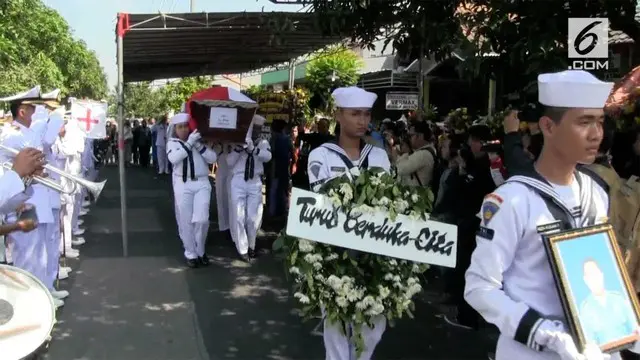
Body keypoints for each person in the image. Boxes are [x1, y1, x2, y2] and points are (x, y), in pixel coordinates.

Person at [464, 70, 630, 360]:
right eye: (583, 122)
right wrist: (548, 335)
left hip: (596, 348)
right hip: (529, 351)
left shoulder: (595, 192)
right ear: (548, 127)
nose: (596, 134)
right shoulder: (512, 200)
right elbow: (479, 287)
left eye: (599, 122)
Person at [307, 86, 390, 360]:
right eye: (355, 114)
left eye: (366, 114)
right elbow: (323, 203)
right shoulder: (321, 156)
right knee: (338, 324)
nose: (362, 120)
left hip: (372, 254)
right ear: (338, 115)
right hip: (334, 253)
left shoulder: (378, 156)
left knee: (374, 323)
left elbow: (387, 201)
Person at [0, 86, 67, 307]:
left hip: (33, 195)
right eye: (32, 107)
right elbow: (42, 146)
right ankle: (31, 303)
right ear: (22, 111)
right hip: (21, 200)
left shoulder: (26, 133)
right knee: (27, 255)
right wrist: (55, 115)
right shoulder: (12, 135)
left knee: (41, 251)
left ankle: (45, 291)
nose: (36, 111)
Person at [166, 113, 217, 268]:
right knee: (186, 221)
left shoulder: (199, 140)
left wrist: (198, 145)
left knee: (202, 219)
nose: (183, 130)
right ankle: (191, 253)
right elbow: (174, 159)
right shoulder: (172, 143)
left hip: (201, 182)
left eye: (185, 126)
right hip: (183, 183)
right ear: (175, 129)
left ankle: (200, 250)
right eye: (180, 127)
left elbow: (213, 158)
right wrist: (189, 144)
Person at [227, 115, 271, 262]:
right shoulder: (237, 141)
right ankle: (243, 249)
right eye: (254, 128)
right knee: (238, 216)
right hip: (239, 181)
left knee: (253, 217)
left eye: (258, 129)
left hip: (254, 182)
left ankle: (252, 244)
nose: (256, 132)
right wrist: (240, 148)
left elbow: (268, 157)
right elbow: (229, 161)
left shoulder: (262, 142)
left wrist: (254, 150)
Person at [579, 258, 637, 346]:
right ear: (586, 280)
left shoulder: (619, 299)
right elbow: (591, 344)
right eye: (589, 275)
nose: (593, 278)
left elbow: (635, 328)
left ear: (601, 275)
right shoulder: (585, 310)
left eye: (595, 273)